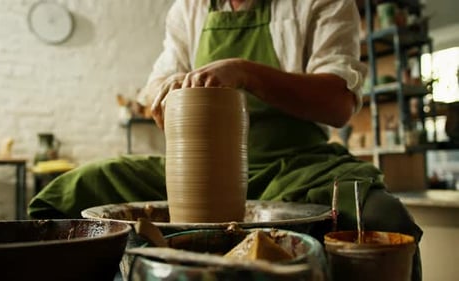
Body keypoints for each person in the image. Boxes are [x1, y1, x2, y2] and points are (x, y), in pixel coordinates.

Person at [28, 0, 422, 280]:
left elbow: (338, 103)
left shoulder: (321, 2)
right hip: (193, 170)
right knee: (70, 192)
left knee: (381, 218)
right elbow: (153, 91)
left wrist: (246, 72)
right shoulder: (189, 9)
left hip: (298, 165)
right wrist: (169, 92)